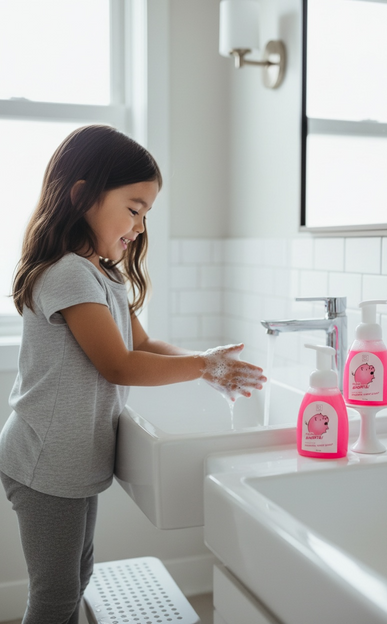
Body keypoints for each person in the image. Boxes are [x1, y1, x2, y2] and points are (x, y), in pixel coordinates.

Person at [0, 125, 266, 624]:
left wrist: (204, 361)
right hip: (44, 463)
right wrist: (201, 366)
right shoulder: (68, 273)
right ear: (82, 195)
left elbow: (140, 345)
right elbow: (119, 364)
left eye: (146, 214)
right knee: (56, 594)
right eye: (134, 208)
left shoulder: (102, 274)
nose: (140, 226)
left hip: (68, 463)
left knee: (77, 578)